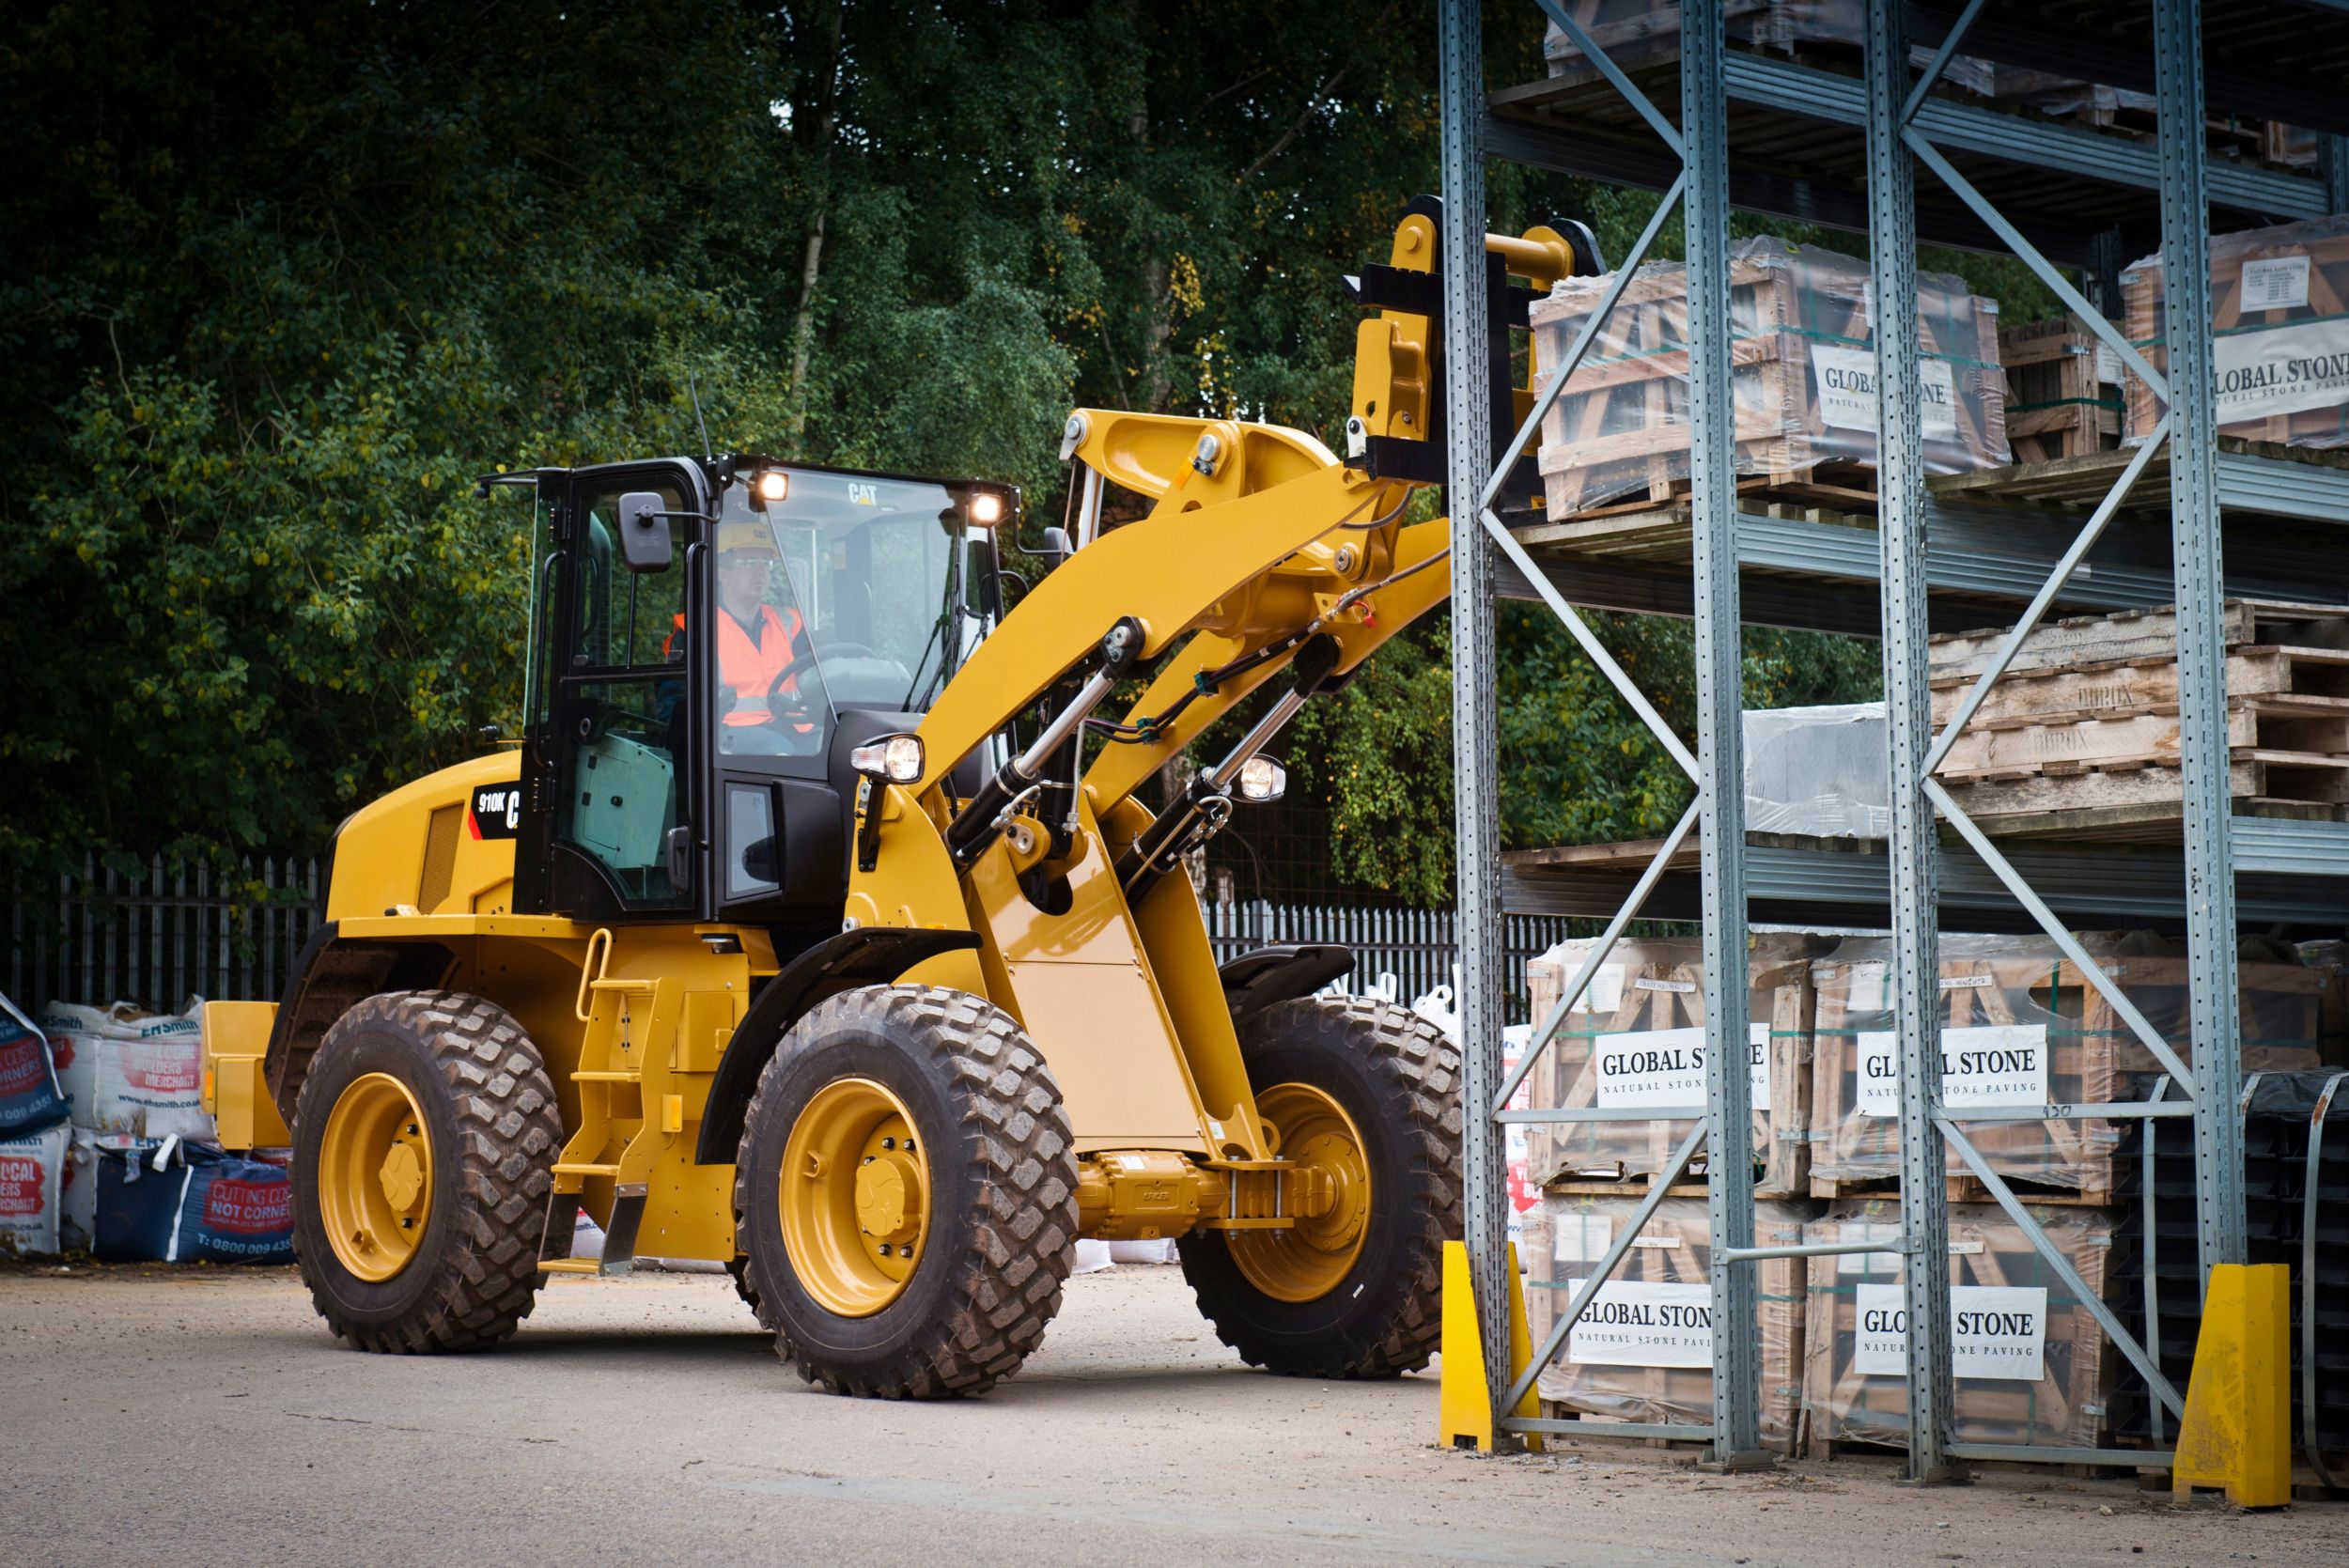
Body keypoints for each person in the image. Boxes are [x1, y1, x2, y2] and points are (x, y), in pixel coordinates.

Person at [669, 520, 814, 753]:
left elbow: (817, 681)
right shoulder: (696, 628)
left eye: (764, 562)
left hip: (792, 727)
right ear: (722, 573)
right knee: (779, 752)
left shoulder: (791, 623)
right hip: (728, 733)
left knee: (843, 748)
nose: (759, 570)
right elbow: (674, 704)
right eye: (748, 562)